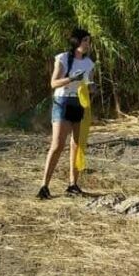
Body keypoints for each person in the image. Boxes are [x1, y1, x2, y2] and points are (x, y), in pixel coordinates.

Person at [37, 28, 95, 200]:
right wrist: (71, 79)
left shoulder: (89, 63)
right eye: (84, 40)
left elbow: (89, 83)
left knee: (77, 144)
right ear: (76, 42)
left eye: (88, 41)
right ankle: (44, 186)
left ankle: (73, 184)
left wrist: (92, 87)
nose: (87, 44)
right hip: (63, 101)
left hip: (79, 103)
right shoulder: (62, 58)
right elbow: (54, 83)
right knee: (57, 145)